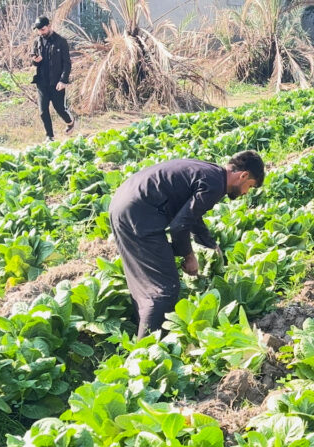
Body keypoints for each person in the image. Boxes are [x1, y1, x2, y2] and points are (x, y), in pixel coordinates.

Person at [110, 151, 265, 338]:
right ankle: (146, 350)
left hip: (124, 204)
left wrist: (210, 245)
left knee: (145, 284)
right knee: (165, 289)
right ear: (243, 175)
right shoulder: (216, 185)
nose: (246, 192)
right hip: (139, 213)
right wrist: (189, 257)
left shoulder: (212, 172)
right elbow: (179, 226)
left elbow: (191, 215)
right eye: (249, 186)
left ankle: (147, 334)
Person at [30, 15, 74, 142]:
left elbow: (67, 63)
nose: (40, 32)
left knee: (59, 108)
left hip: (56, 83)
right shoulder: (37, 41)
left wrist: (63, 80)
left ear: (49, 26)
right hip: (42, 82)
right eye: (38, 30)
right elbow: (34, 60)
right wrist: (35, 61)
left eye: (42, 29)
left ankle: (70, 122)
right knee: (43, 111)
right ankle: (49, 136)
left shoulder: (61, 41)